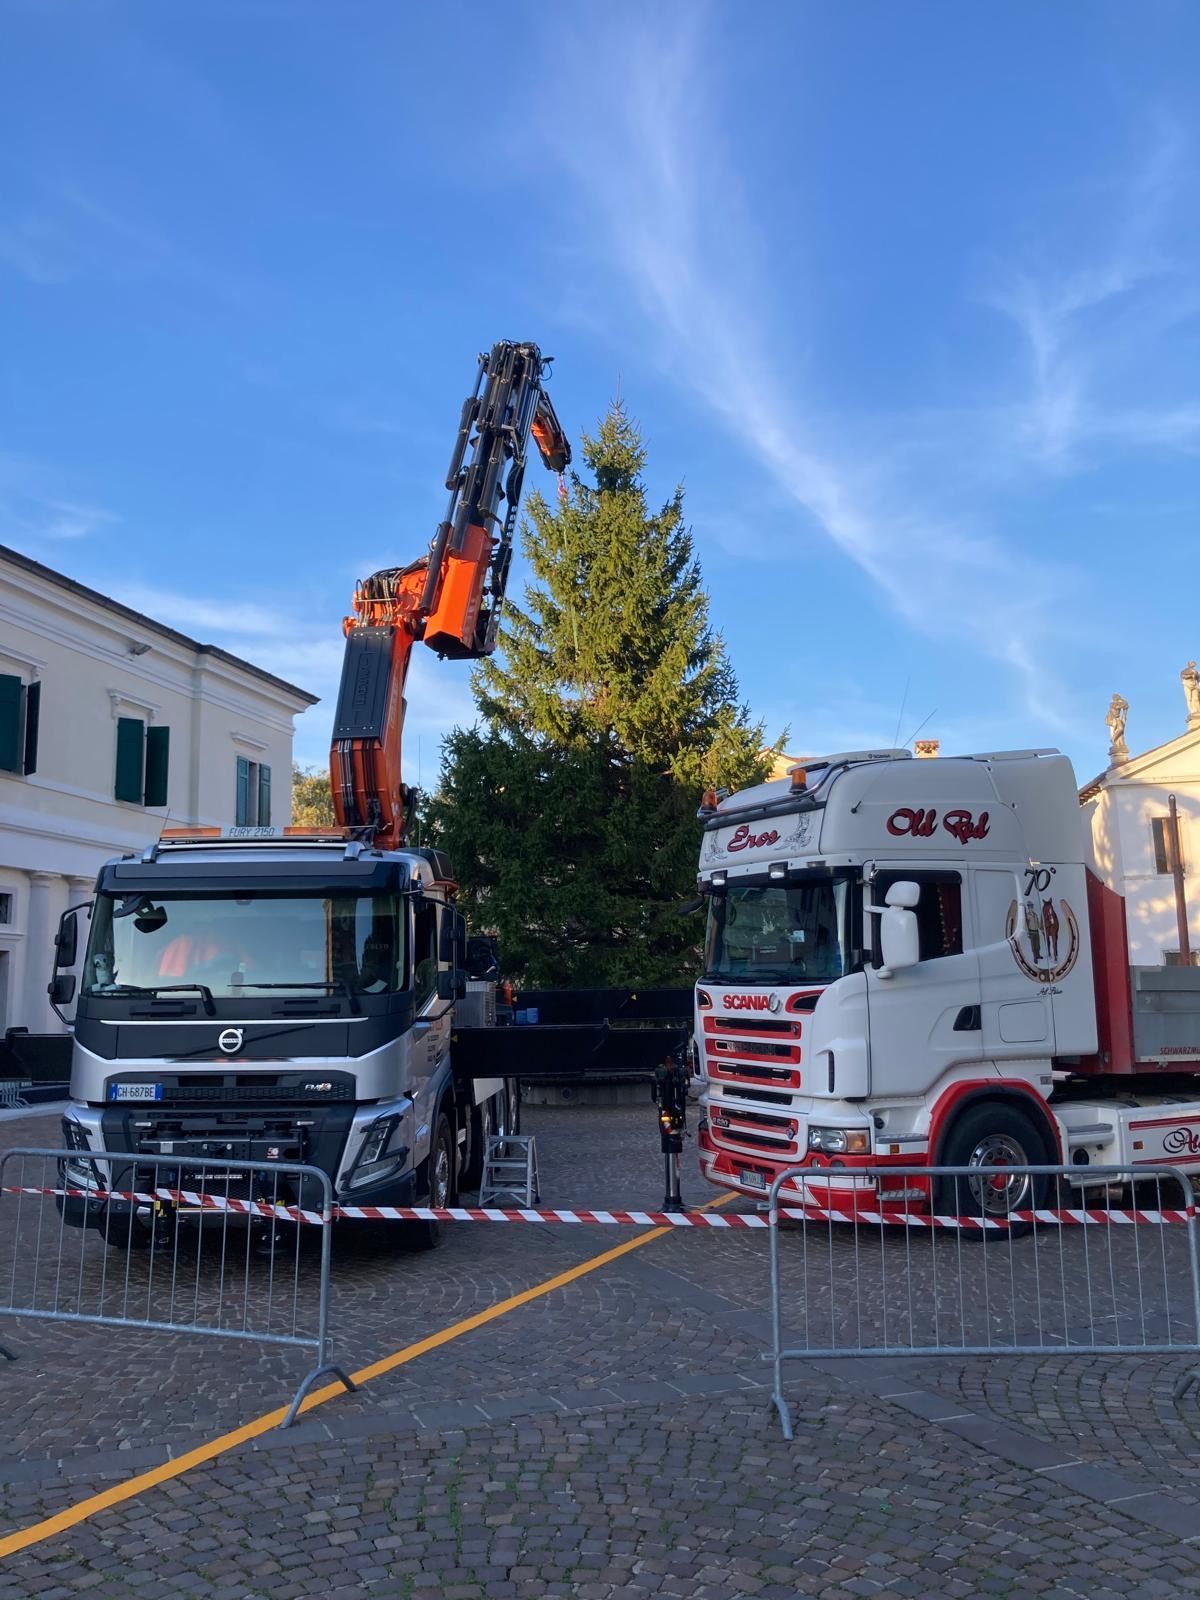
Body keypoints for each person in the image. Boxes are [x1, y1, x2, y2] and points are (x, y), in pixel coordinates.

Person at [652, 1046, 690, 1210]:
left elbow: (655, 1095)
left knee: (672, 1140)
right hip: (670, 1114)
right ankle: (672, 1197)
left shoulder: (670, 1075)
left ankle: (673, 1197)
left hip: (672, 1114)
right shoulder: (669, 1075)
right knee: (670, 1141)